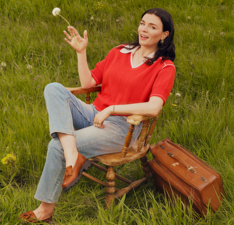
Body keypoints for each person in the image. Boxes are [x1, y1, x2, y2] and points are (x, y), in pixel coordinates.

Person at [19, 8, 176, 223]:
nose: (144, 29)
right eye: (142, 23)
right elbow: (87, 84)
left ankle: (45, 209)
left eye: (152, 26)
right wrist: (81, 53)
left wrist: (111, 109)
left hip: (122, 127)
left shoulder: (164, 66)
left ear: (164, 34)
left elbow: (154, 108)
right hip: (93, 113)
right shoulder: (120, 51)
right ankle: (72, 153)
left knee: (55, 146)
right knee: (53, 88)